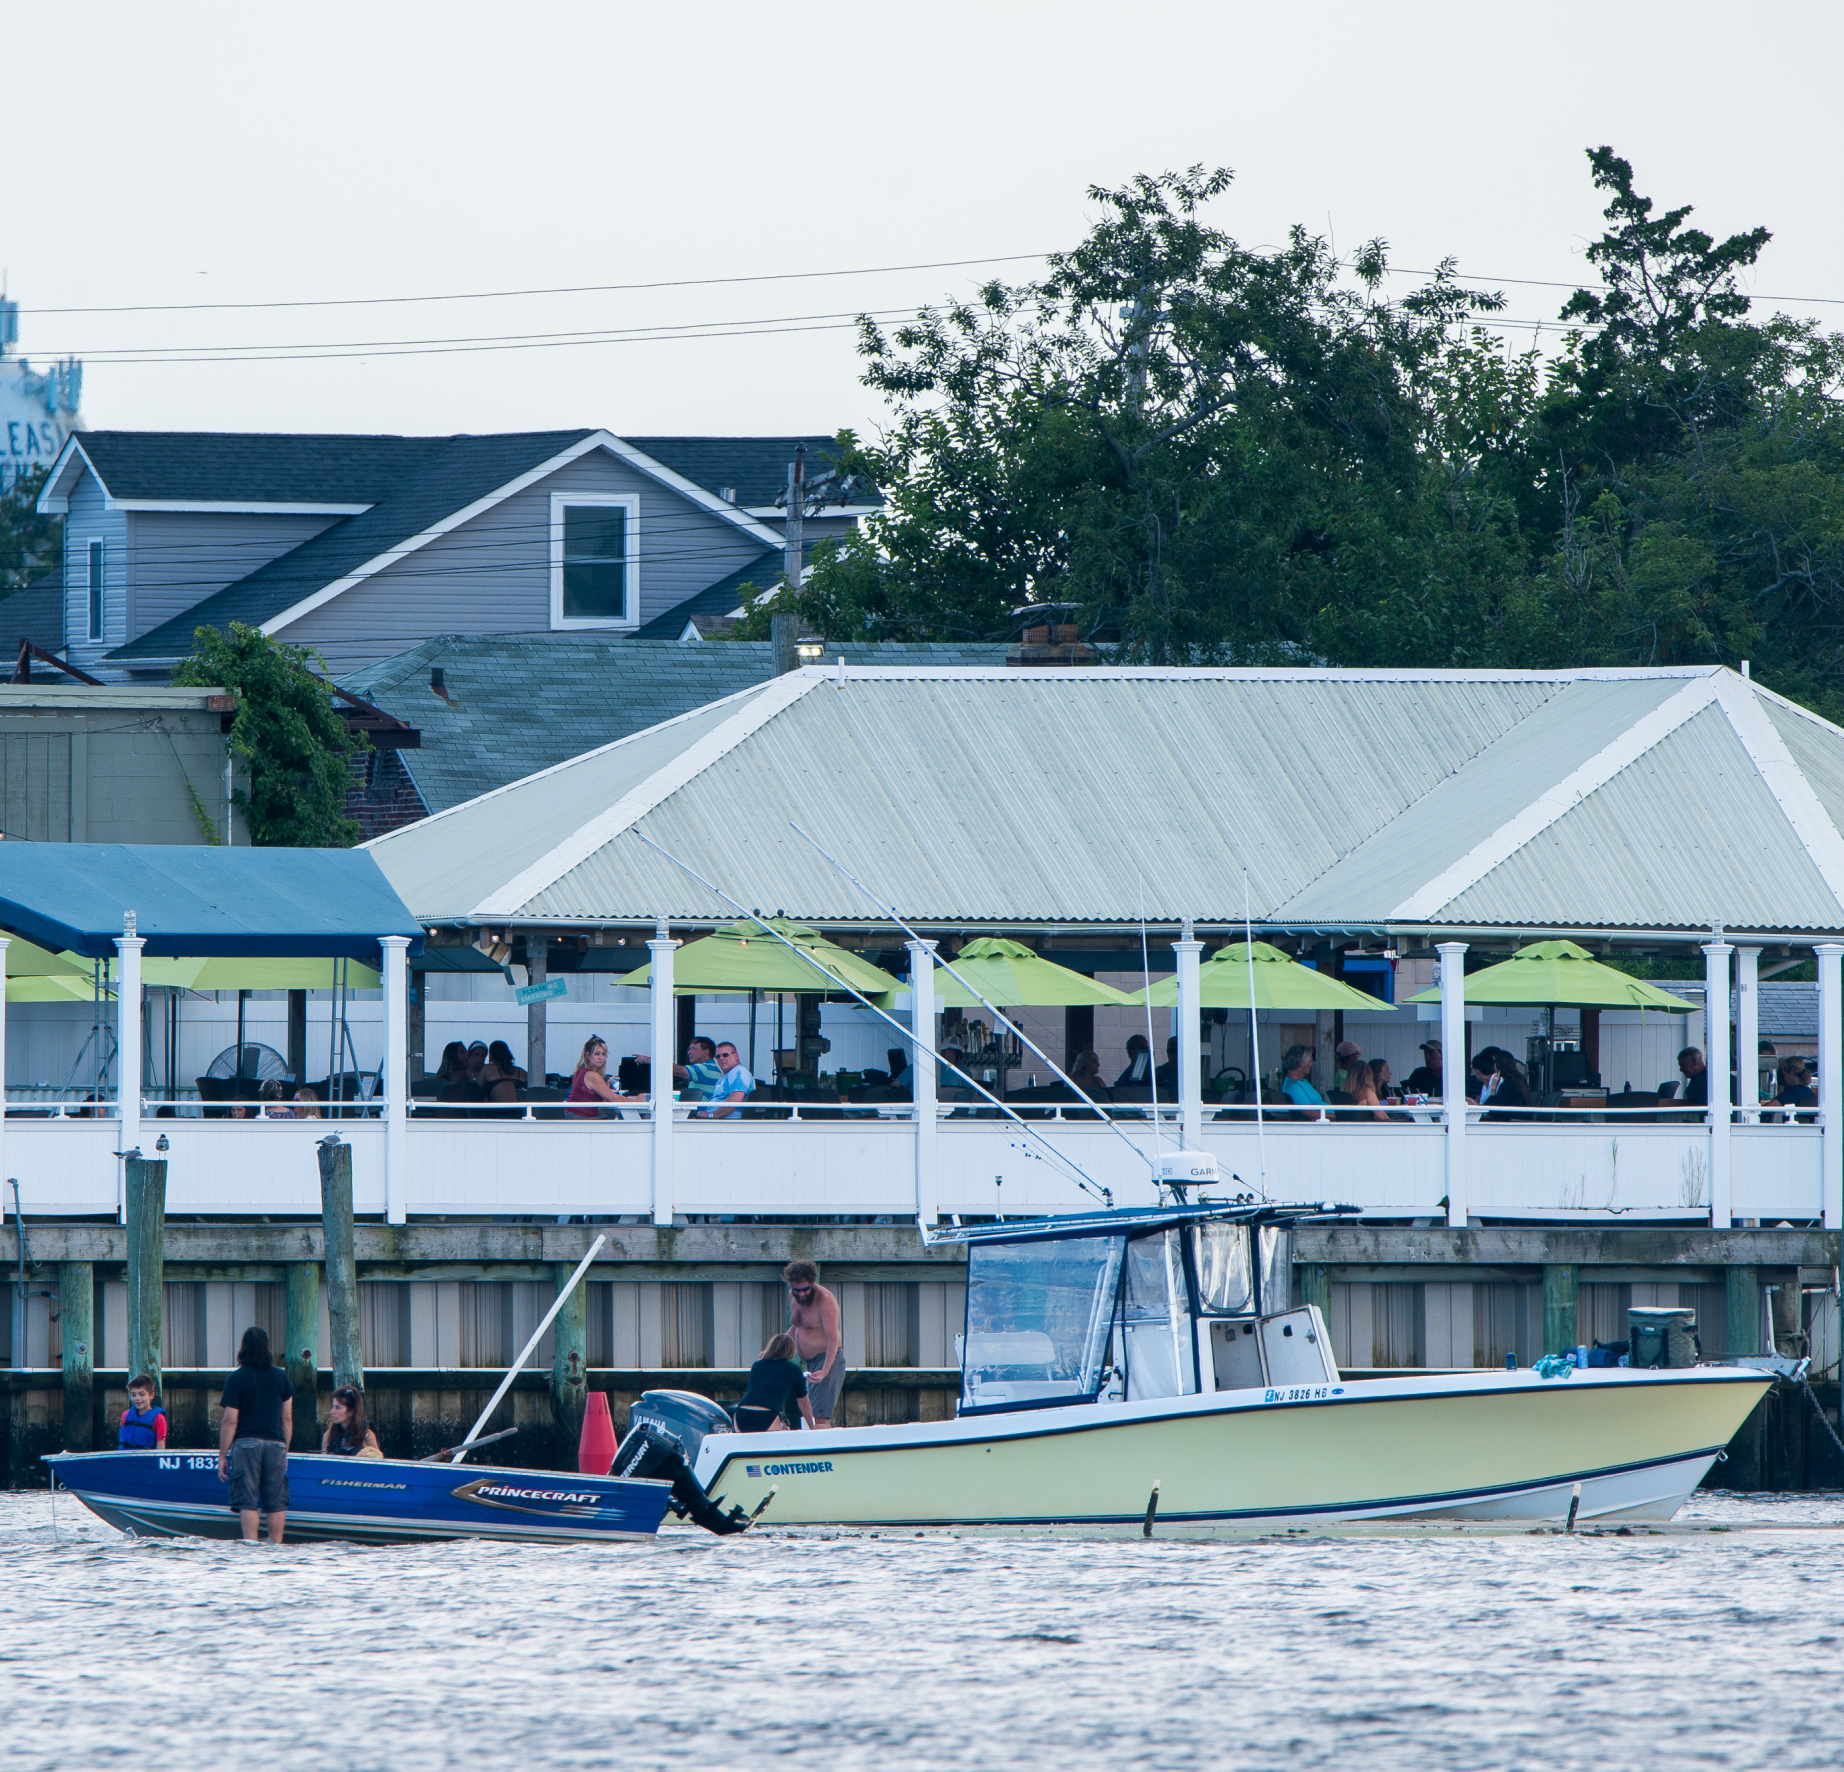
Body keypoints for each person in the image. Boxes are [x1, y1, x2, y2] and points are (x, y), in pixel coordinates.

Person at [218, 1325, 293, 1544]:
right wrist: (284, 1449)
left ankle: (251, 1546)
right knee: (276, 1502)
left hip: (247, 1443)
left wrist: (223, 1455)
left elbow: (230, 1419)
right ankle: (276, 1546)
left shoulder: (237, 1378)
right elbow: (287, 1418)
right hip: (276, 1443)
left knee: (248, 1500)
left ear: (243, 1349)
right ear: (267, 1349)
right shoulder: (281, 1377)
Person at [785, 1260, 844, 1428]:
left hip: (827, 1359)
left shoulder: (824, 1300)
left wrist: (825, 1371)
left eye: (805, 1289)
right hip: (810, 1363)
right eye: (798, 1290)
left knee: (820, 1419)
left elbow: (834, 1338)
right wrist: (773, 1351)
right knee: (809, 1414)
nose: (802, 1294)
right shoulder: (793, 1295)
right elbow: (796, 1328)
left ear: (812, 1283)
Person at [733, 1332, 816, 1433]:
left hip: (741, 1414)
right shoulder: (793, 1370)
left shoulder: (757, 1365)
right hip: (767, 1414)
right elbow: (804, 1404)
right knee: (784, 1434)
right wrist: (811, 1426)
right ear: (791, 1351)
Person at [566, 1036, 638, 1118]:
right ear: (588, 1055)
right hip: (583, 1119)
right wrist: (636, 1100)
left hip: (575, 1117)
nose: (601, 1057)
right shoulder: (591, 1075)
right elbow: (614, 1099)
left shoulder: (581, 1071)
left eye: (603, 1054)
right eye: (597, 1054)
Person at [698, 1041, 755, 1118]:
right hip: (716, 1121)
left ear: (736, 1056)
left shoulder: (738, 1071)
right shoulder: (726, 1076)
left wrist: (711, 1116)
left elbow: (735, 1100)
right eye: (718, 1056)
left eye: (725, 1055)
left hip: (728, 1123)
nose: (721, 1058)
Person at [321, 1386, 382, 1458]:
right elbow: (323, 1462)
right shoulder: (328, 1435)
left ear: (351, 1412)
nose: (331, 1412)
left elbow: (377, 1463)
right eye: (333, 1407)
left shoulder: (367, 1435)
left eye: (338, 1407)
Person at [118, 1374, 167, 1450]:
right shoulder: (126, 1414)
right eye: (133, 1395)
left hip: (146, 1459)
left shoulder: (159, 1418)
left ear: (151, 1395)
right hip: (125, 1458)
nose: (137, 1398)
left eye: (142, 1394)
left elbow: (160, 1445)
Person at [1278, 1045, 1325, 1120]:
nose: (1311, 1064)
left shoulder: (1302, 1081)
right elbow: (1311, 1114)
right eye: (1310, 1061)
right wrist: (1339, 1116)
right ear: (1302, 1063)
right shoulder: (1294, 1087)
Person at [673, 1037, 722, 1102]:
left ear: (706, 1051)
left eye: (693, 1049)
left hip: (701, 1111)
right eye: (689, 1049)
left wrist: (658, 1062)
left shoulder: (704, 1069)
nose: (689, 1052)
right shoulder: (713, 1068)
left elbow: (677, 1070)